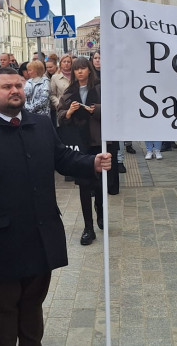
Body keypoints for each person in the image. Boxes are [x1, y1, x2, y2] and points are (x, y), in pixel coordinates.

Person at [0, 68, 111, 346]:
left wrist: (92, 162)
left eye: (18, 85)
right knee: (3, 304)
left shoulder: (41, 124)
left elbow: (62, 158)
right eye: (7, 87)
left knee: (33, 301)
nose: (14, 91)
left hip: (40, 231)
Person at [57, 57, 118, 243]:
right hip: (79, 143)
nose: (80, 72)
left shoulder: (100, 88)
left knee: (99, 183)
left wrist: (95, 110)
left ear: (89, 70)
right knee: (83, 185)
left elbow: (114, 110)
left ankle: (100, 210)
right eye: (77, 69)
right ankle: (88, 227)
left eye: (83, 68)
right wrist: (69, 112)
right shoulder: (69, 91)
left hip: (98, 141)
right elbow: (60, 115)